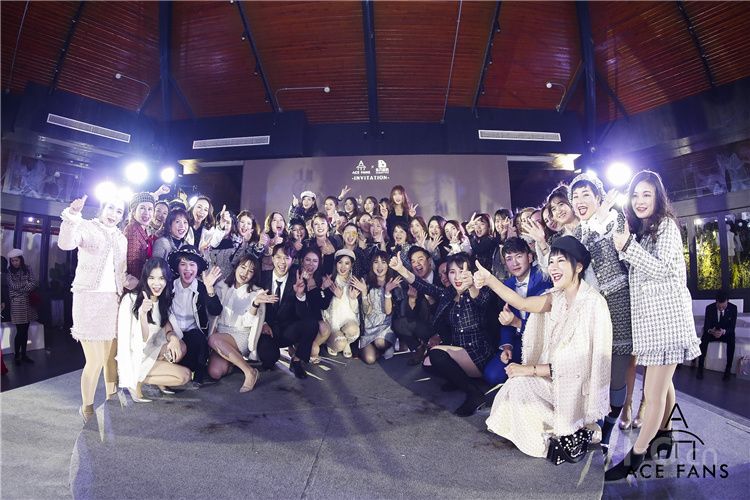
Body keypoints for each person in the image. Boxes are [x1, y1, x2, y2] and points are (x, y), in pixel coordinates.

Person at [476, 236, 612, 458]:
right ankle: (554, 432)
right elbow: (521, 303)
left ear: (578, 267)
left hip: (577, 389)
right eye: (551, 262)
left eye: (561, 261)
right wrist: (490, 280)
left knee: (519, 384)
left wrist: (528, 370)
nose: (554, 268)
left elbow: (580, 365)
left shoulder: (593, 304)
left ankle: (567, 431)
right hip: (554, 378)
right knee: (513, 385)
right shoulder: (555, 297)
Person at [606, 170, 701, 481]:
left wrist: (627, 247)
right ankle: (665, 434)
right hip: (651, 325)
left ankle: (636, 455)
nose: (640, 201)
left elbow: (661, 270)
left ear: (658, 197)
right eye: (635, 195)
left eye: (646, 194)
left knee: (653, 393)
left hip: (667, 323)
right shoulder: (645, 230)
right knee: (664, 386)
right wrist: (625, 240)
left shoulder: (667, 227)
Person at [568, 173, 634, 454]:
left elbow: (616, 257)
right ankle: (590, 425)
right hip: (589, 312)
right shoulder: (578, 232)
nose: (580, 200)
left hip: (618, 306)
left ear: (598, 197)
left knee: (617, 375)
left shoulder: (616, 220)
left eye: (586, 194)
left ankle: (608, 428)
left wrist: (598, 223)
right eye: (575, 196)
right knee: (590, 373)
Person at [58, 194, 138, 422]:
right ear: (102, 208)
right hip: (87, 300)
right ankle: (87, 407)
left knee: (110, 358)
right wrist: (72, 215)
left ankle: (111, 400)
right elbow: (65, 244)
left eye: (119, 211)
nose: (114, 214)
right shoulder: (86, 227)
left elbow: (121, 274)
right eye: (110, 208)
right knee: (93, 361)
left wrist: (140, 283)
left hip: (112, 302)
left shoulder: (121, 238)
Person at [389, 252, 493, 417]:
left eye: (462, 271)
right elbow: (423, 286)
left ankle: (474, 394)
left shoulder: (480, 291)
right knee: (428, 364)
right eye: (452, 272)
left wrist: (472, 286)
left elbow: (481, 300)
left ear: (470, 273)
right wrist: (401, 269)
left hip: (478, 354)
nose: (457, 277)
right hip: (460, 351)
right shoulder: (449, 293)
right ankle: (459, 380)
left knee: (436, 355)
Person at [117, 258, 191, 402]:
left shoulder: (161, 299)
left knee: (180, 346)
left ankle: (156, 379)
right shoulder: (131, 300)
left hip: (152, 350)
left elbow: (167, 325)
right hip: (137, 356)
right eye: (152, 278)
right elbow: (140, 338)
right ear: (145, 278)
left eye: (161, 278)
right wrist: (143, 315)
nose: (157, 283)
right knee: (184, 376)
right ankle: (136, 380)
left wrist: (173, 338)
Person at [482, 238, 551, 386]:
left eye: (519, 256)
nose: (514, 263)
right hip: (520, 341)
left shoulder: (544, 278)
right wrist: (507, 346)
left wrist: (517, 322)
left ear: (530, 257)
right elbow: (507, 320)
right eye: (509, 259)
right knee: (492, 375)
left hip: (544, 342)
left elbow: (546, 324)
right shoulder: (507, 285)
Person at [207, 256, 277, 391]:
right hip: (221, 333)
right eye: (243, 267)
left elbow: (248, 322)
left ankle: (249, 371)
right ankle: (233, 361)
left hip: (240, 335)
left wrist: (255, 304)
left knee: (213, 340)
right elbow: (214, 312)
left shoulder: (256, 292)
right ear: (236, 267)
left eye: (250, 271)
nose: (245, 273)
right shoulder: (222, 286)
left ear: (254, 275)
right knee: (215, 373)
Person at [257, 244, 319, 378]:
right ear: (272, 258)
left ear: (292, 260)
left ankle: (296, 360)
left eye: (286, 258)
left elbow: (303, 315)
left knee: (312, 323)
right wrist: (263, 324)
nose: (282, 262)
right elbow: (252, 305)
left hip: (287, 330)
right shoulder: (262, 278)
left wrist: (300, 295)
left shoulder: (297, 280)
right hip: (267, 330)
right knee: (268, 359)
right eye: (278, 257)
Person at [167, 246, 223, 387]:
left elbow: (216, 310)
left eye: (192, 264)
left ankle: (198, 373)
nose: (188, 269)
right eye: (183, 264)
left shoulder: (202, 287)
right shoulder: (169, 286)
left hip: (194, 336)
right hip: (172, 333)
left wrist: (209, 287)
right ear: (177, 267)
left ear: (197, 269)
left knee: (198, 340)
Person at [392, 246, 443, 365]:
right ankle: (419, 348)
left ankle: (435, 347)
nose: (417, 264)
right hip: (425, 328)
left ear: (429, 261)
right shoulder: (413, 283)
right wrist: (412, 300)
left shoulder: (441, 278)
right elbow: (410, 317)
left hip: (442, 328)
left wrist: (439, 335)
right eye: (413, 261)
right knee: (399, 323)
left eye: (420, 259)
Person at [359, 251, 402, 364]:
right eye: (375, 262)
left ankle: (387, 345)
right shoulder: (367, 283)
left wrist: (387, 292)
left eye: (383, 262)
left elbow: (388, 311)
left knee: (380, 343)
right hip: (369, 328)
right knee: (369, 359)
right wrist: (364, 293)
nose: (379, 266)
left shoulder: (394, 283)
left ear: (388, 265)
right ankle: (380, 351)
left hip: (385, 327)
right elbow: (367, 312)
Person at [322, 249, 362, 358]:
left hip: (348, 320)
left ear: (351, 265)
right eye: (340, 262)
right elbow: (323, 307)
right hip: (333, 322)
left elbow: (356, 310)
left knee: (353, 330)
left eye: (347, 263)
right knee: (339, 344)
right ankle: (332, 342)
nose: (343, 267)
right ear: (336, 264)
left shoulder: (354, 281)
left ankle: (347, 342)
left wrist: (353, 299)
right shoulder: (329, 279)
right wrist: (334, 295)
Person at [6, 248, 39, 365]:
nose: (15, 262)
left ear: (21, 260)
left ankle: (24, 355)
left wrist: (22, 289)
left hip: (27, 303)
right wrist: (25, 285)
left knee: (25, 330)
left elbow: (34, 283)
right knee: (19, 331)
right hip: (16, 304)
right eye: (12, 261)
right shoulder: (9, 272)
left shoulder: (28, 268)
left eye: (16, 260)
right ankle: (17, 356)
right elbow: (13, 286)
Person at [698, 291, 737, 381]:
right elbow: (706, 326)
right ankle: (700, 368)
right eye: (719, 307)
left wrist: (723, 331)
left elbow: (732, 328)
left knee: (732, 339)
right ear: (716, 302)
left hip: (725, 333)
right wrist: (711, 331)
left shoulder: (733, 308)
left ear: (727, 301)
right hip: (712, 332)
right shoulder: (709, 308)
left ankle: (728, 369)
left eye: (723, 307)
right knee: (704, 339)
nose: (721, 308)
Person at [123, 192, 156, 279]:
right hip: (135, 281)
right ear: (134, 211)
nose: (146, 213)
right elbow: (132, 267)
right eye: (142, 208)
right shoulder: (132, 231)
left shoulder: (142, 228)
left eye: (150, 209)